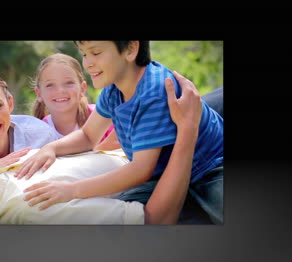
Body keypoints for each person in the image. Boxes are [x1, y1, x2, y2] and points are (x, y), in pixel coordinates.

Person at [0, 75, 203, 224]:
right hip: (177, 153)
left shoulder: (1, 171)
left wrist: (135, 124)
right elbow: (156, 221)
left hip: (143, 142)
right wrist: (186, 128)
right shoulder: (32, 205)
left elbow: (91, 153)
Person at [15, 41, 224, 224]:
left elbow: (140, 169)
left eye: (96, 53)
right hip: (161, 173)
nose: (87, 63)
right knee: (124, 215)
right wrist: (51, 148)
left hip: (209, 166)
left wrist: (71, 190)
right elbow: (89, 136)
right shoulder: (113, 89)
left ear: (131, 49)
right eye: (84, 53)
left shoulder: (153, 92)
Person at [31, 53, 120, 150]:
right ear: (39, 93)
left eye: (69, 83)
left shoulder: (101, 116)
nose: (60, 90)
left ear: (82, 88)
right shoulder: (38, 132)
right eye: (50, 85)